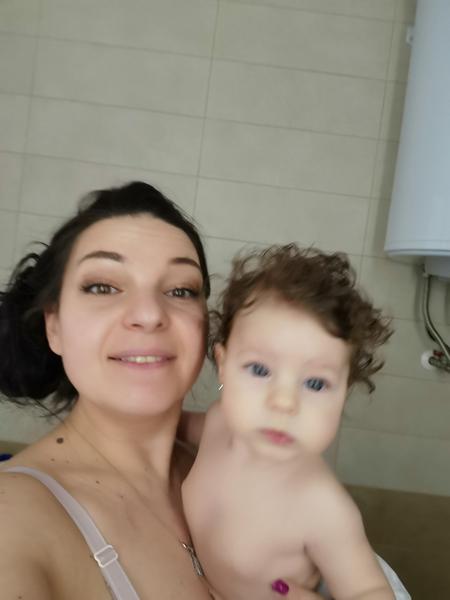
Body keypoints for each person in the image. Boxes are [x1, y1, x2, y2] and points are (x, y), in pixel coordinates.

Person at [0, 181, 215, 599]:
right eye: (103, 286)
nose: (149, 314)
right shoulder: (14, 516)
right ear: (54, 326)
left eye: (181, 290)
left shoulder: (233, 471)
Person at [181, 244, 402, 600]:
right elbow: (168, 430)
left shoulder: (322, 507)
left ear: (343, 391)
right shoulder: (219, 421)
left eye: (315, 383)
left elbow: (370, 591)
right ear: (223, 365)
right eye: (259, 369)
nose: (284, 403)